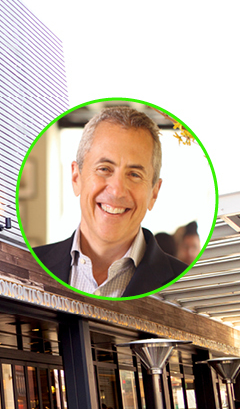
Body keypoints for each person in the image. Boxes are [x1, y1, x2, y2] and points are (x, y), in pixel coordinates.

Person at [34, 106, 187, 297]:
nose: (117, 190)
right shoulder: (26, 264)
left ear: (154, 193)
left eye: (134, 174)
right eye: (104, 169)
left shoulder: (188, 285)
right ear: (76, 178)